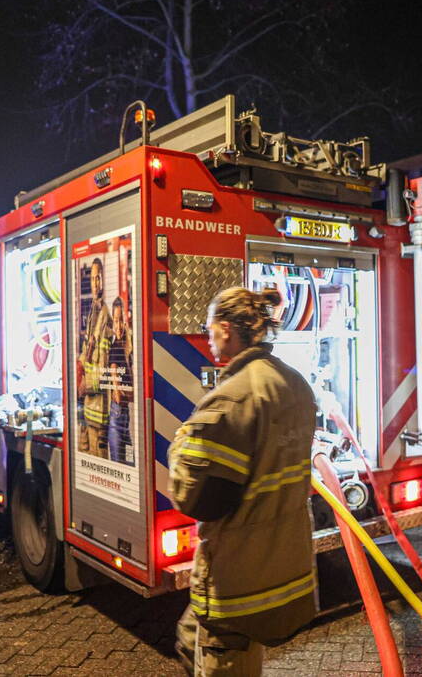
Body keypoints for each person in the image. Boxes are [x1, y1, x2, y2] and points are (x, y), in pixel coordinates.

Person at [169, 287, 317, 676]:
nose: (207, 338)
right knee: (188, 638)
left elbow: (198, 499)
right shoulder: (295, 383)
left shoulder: (231, 400)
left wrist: (182, 441)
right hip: (283, 564)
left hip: (238, 579)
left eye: (208, 329)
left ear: (225, 330)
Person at [77, 258, 110, 458]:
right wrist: (78, 368)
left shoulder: (105, 314)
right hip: (89, 409)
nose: (96, 283)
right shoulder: (93, 311)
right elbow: (87, 349)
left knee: (99, 455)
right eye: (93, 278)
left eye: (99, 278)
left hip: (100, 411)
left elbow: (104, 364)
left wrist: (84, 384)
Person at [106, 296, 134, 464]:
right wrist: (117, 389)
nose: (118, 326)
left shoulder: (129, 347)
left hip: (126, 415)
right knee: (119, 460)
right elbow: (114, 373)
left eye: (121, 320)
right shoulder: (115, 347)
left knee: (130, 461)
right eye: (115, 321)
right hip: (117, 414)